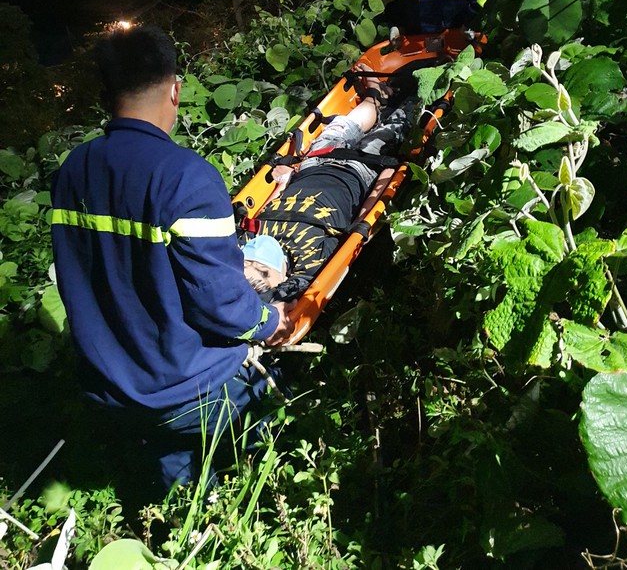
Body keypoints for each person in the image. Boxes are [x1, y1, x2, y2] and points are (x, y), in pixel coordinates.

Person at [50, 25, 295, 490]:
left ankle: (180, 504)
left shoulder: (72, 171)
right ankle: (268, 488)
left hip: (111, 389)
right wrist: (270, 322)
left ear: (106, 93)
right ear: (175, 89)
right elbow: (218, 302)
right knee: (276, 385)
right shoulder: (185, 177)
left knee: (179, 485)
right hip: (185, 393)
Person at [244, 71, 417, 302]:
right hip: (360, 169)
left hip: (315, 162)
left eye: (246, 262)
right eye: (263, 271)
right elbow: (358, 227)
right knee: (398, 125)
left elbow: (270, 207)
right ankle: (414, 96)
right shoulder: (310, 263)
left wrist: (285, 181)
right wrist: (386, 177)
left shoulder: (245, 239)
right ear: (283, 279)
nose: (256, 258)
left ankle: (375, 97)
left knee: (345, 123)